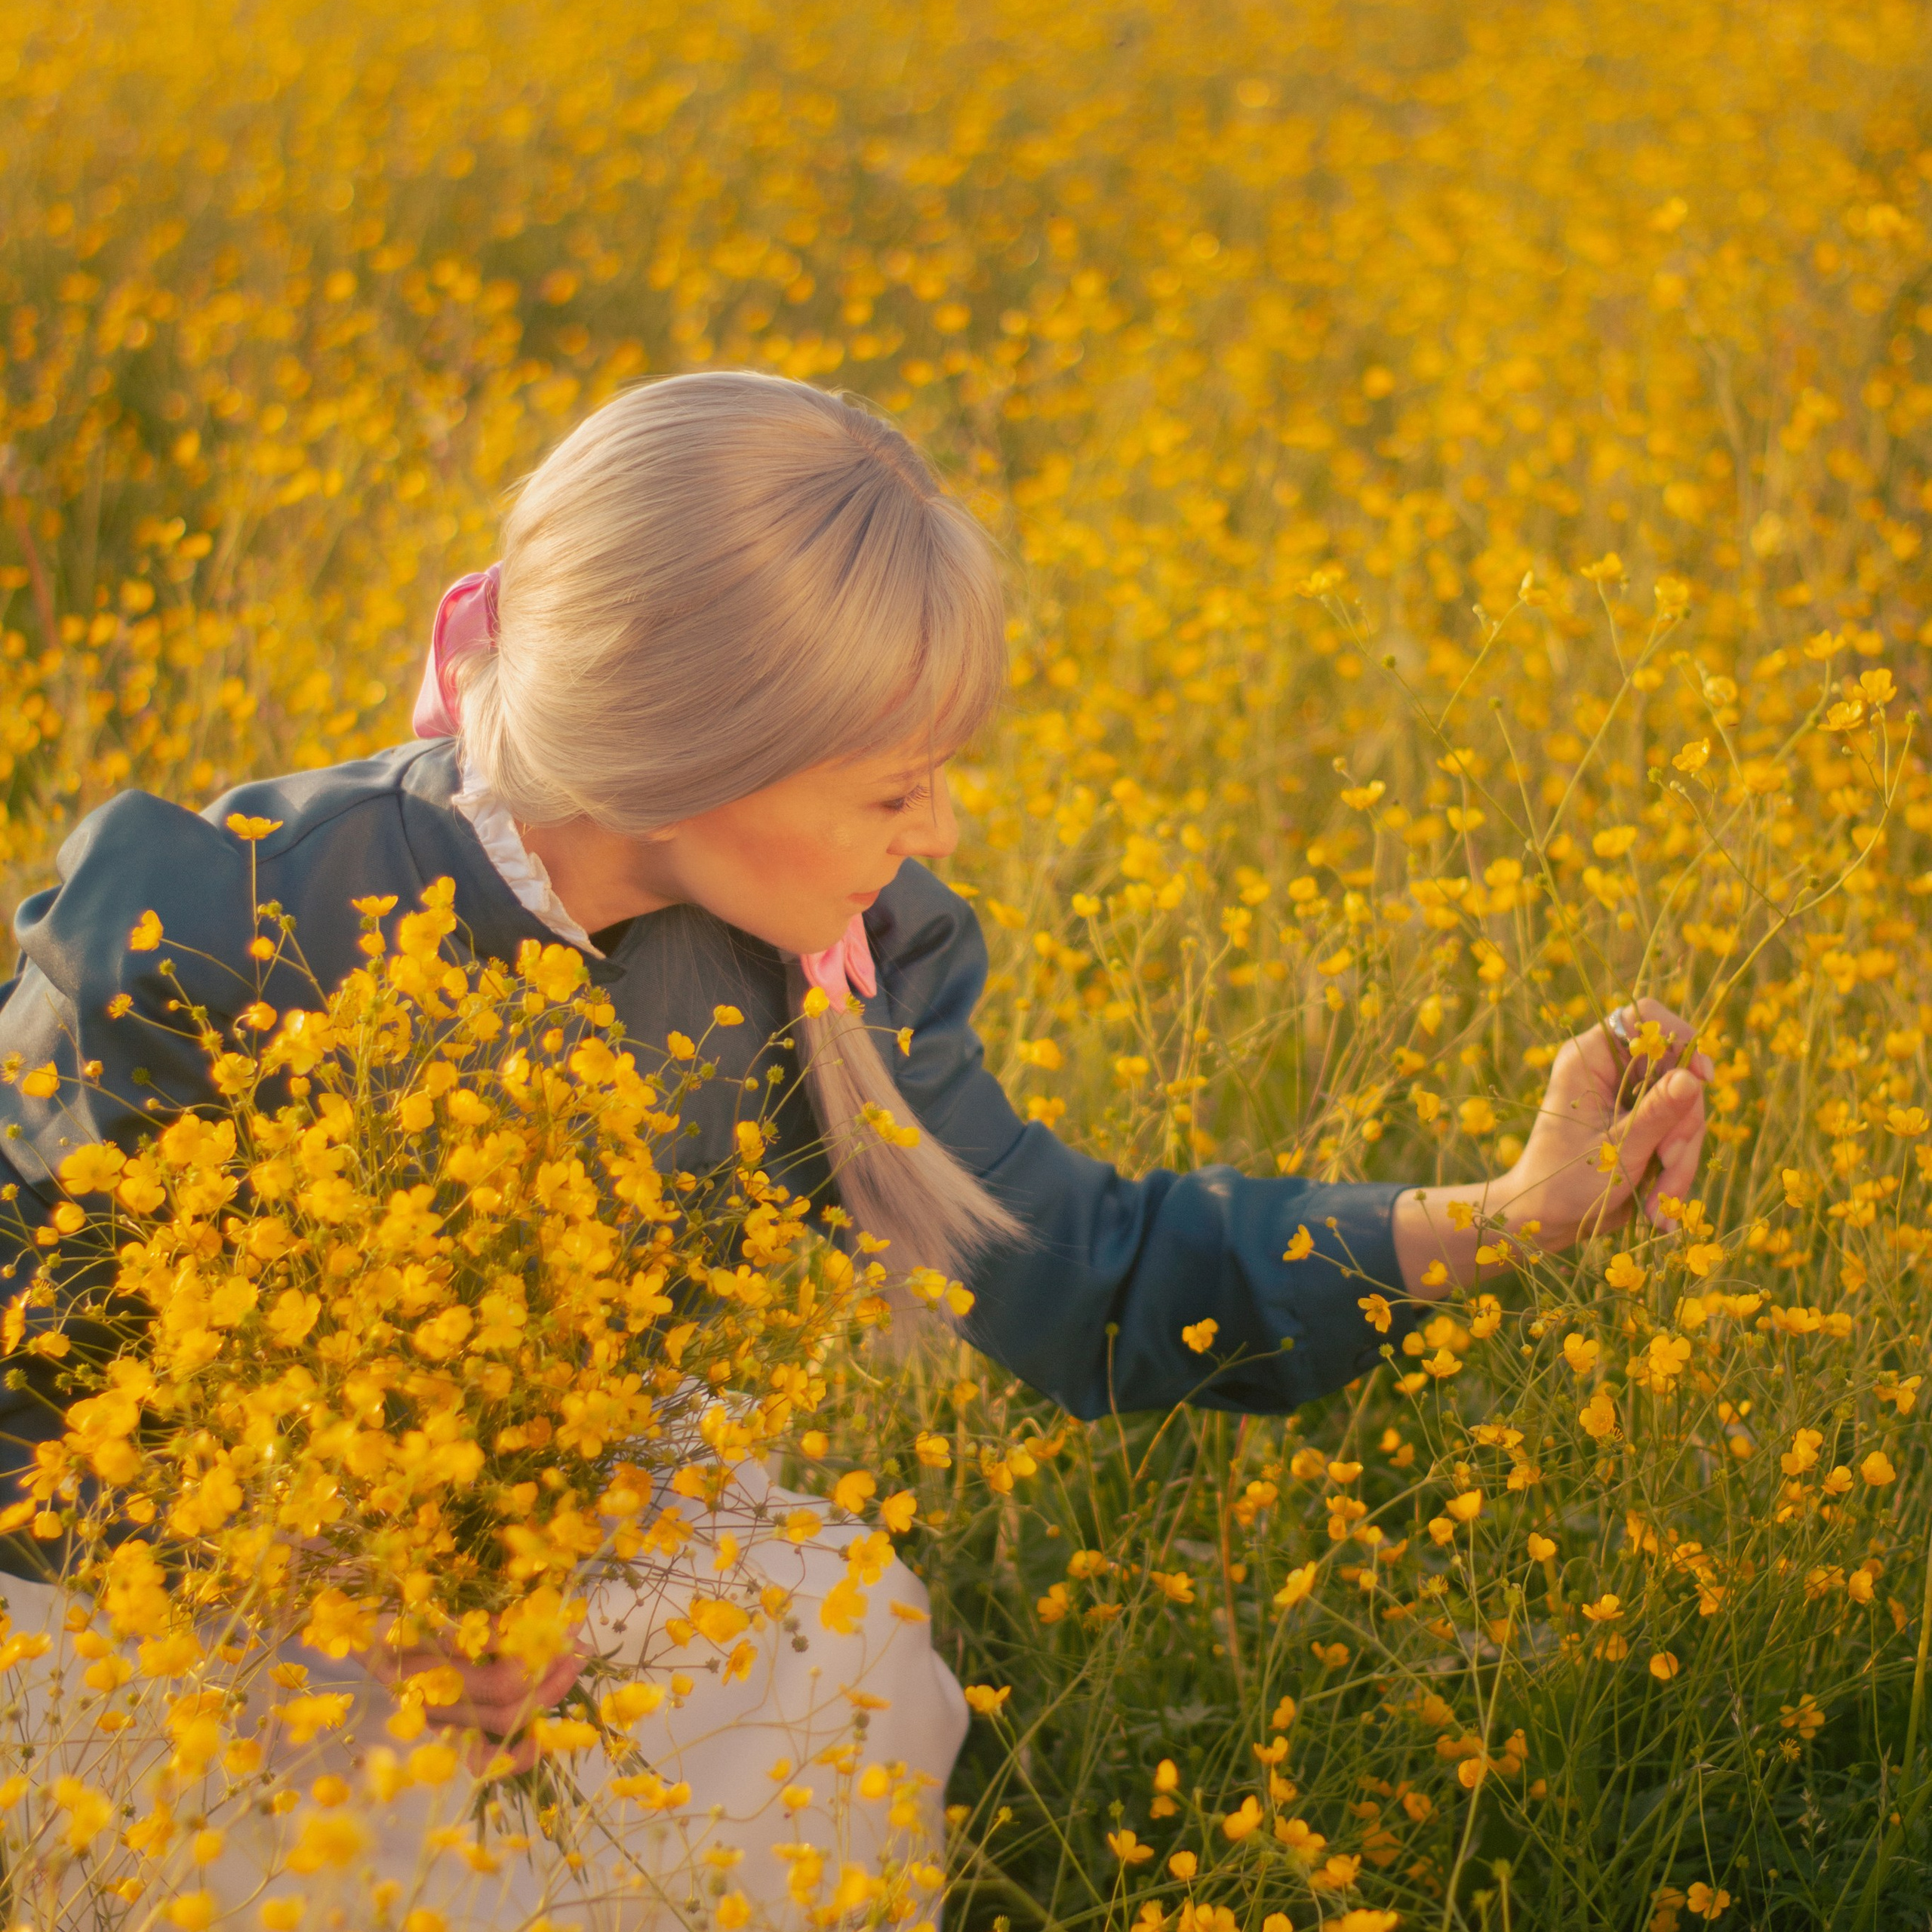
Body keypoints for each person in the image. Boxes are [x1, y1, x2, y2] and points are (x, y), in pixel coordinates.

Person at [0, 371, 1710, 1923]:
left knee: (832, 1649)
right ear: (685, 756)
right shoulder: (210, 933)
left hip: (522, 1562)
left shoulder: (843, 956)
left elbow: (1083, 1265)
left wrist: (1499, 1218)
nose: (941, 829)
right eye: (896, 785)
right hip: (138, 1580)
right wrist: (328, 1586)